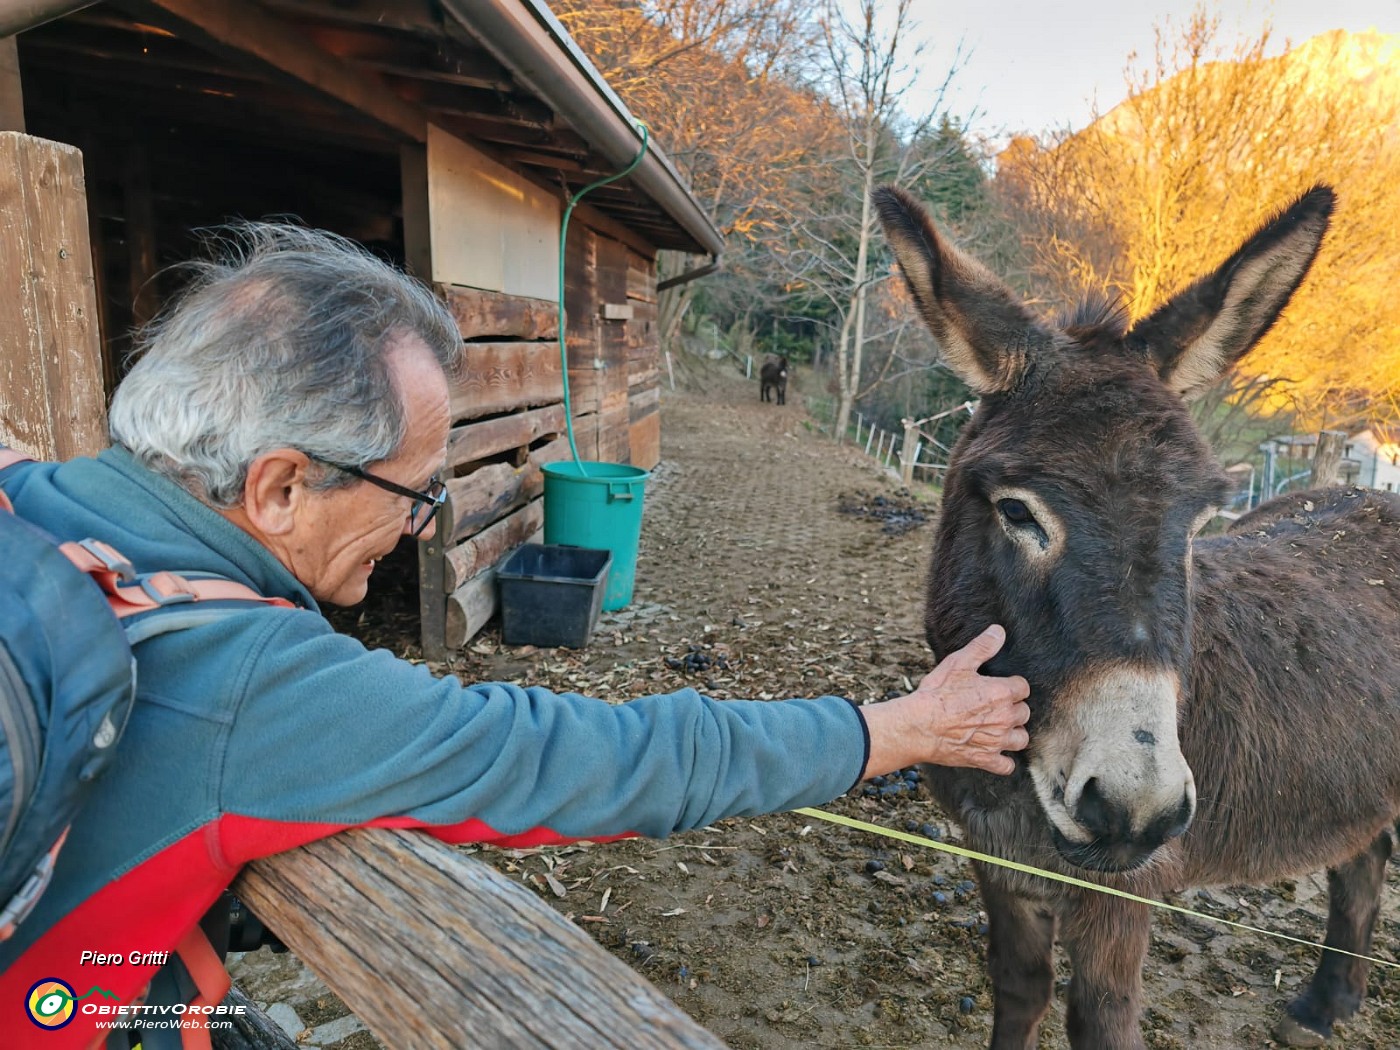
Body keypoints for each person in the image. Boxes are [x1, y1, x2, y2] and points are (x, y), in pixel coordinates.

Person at [0, 224, 1030, 1047]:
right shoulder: (250, 682)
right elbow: (582, 757)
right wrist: (892, 730)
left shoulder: (22, 493)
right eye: (417, 489)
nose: (422, 524)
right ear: (277, 486)